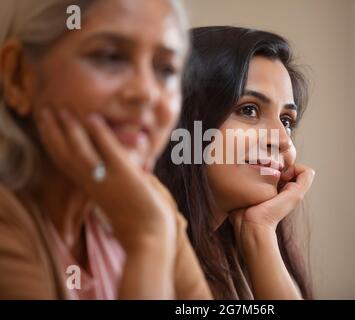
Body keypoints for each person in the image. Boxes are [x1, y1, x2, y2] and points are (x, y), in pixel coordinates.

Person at [0, 0, 211, 299]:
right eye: (110, 57)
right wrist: (147, 239)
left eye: (166, 69)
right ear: (19, 76)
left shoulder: (148, 200)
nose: (146, 92)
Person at [156, 26, 316, 300]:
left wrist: (260, 233)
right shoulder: (135, 254)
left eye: (286, 120)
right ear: (183, 122)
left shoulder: (227, 255)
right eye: (249, 109)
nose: (282, 140)